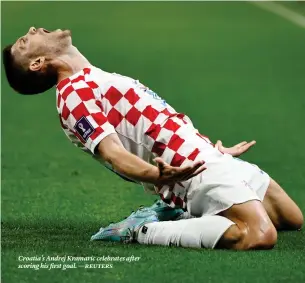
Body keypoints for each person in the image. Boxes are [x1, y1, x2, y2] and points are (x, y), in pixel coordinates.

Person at [3, 27, 303, 250]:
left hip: (207, 156)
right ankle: (144, 230)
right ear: (37, 62)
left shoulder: (93, 76)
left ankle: (176, 212)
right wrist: (157, 176)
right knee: (259, 234)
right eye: (24, 41)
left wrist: (212, 148)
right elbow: (112, 153)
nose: (31, 30)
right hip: (188, 171)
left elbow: (155, 125)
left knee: (291, 219)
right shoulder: (72, 94)